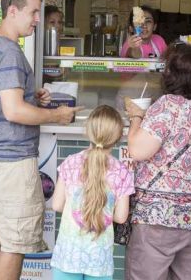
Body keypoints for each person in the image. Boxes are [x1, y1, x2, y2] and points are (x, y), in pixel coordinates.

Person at [0, 0, 82, 280]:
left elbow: (6, 100)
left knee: (0, 230)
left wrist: (29, 97)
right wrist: (56, 115)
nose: (38, 19)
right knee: (15, 243)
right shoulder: (9, 53)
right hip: (13, 163)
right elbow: (13, 112)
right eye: (33, 12)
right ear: (13, 11)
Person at [124, 44, 191, 280]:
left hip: (160, 216)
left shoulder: (167, 105)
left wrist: (136, 117)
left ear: (171, 74)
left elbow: (137, 149)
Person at [50, 105, 134, 280]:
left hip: (67, 256)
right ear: (119, 137)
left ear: (88, 132)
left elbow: (57, 205)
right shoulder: (122, 172)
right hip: (99, 260)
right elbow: (120, 217)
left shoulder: (70, 163)